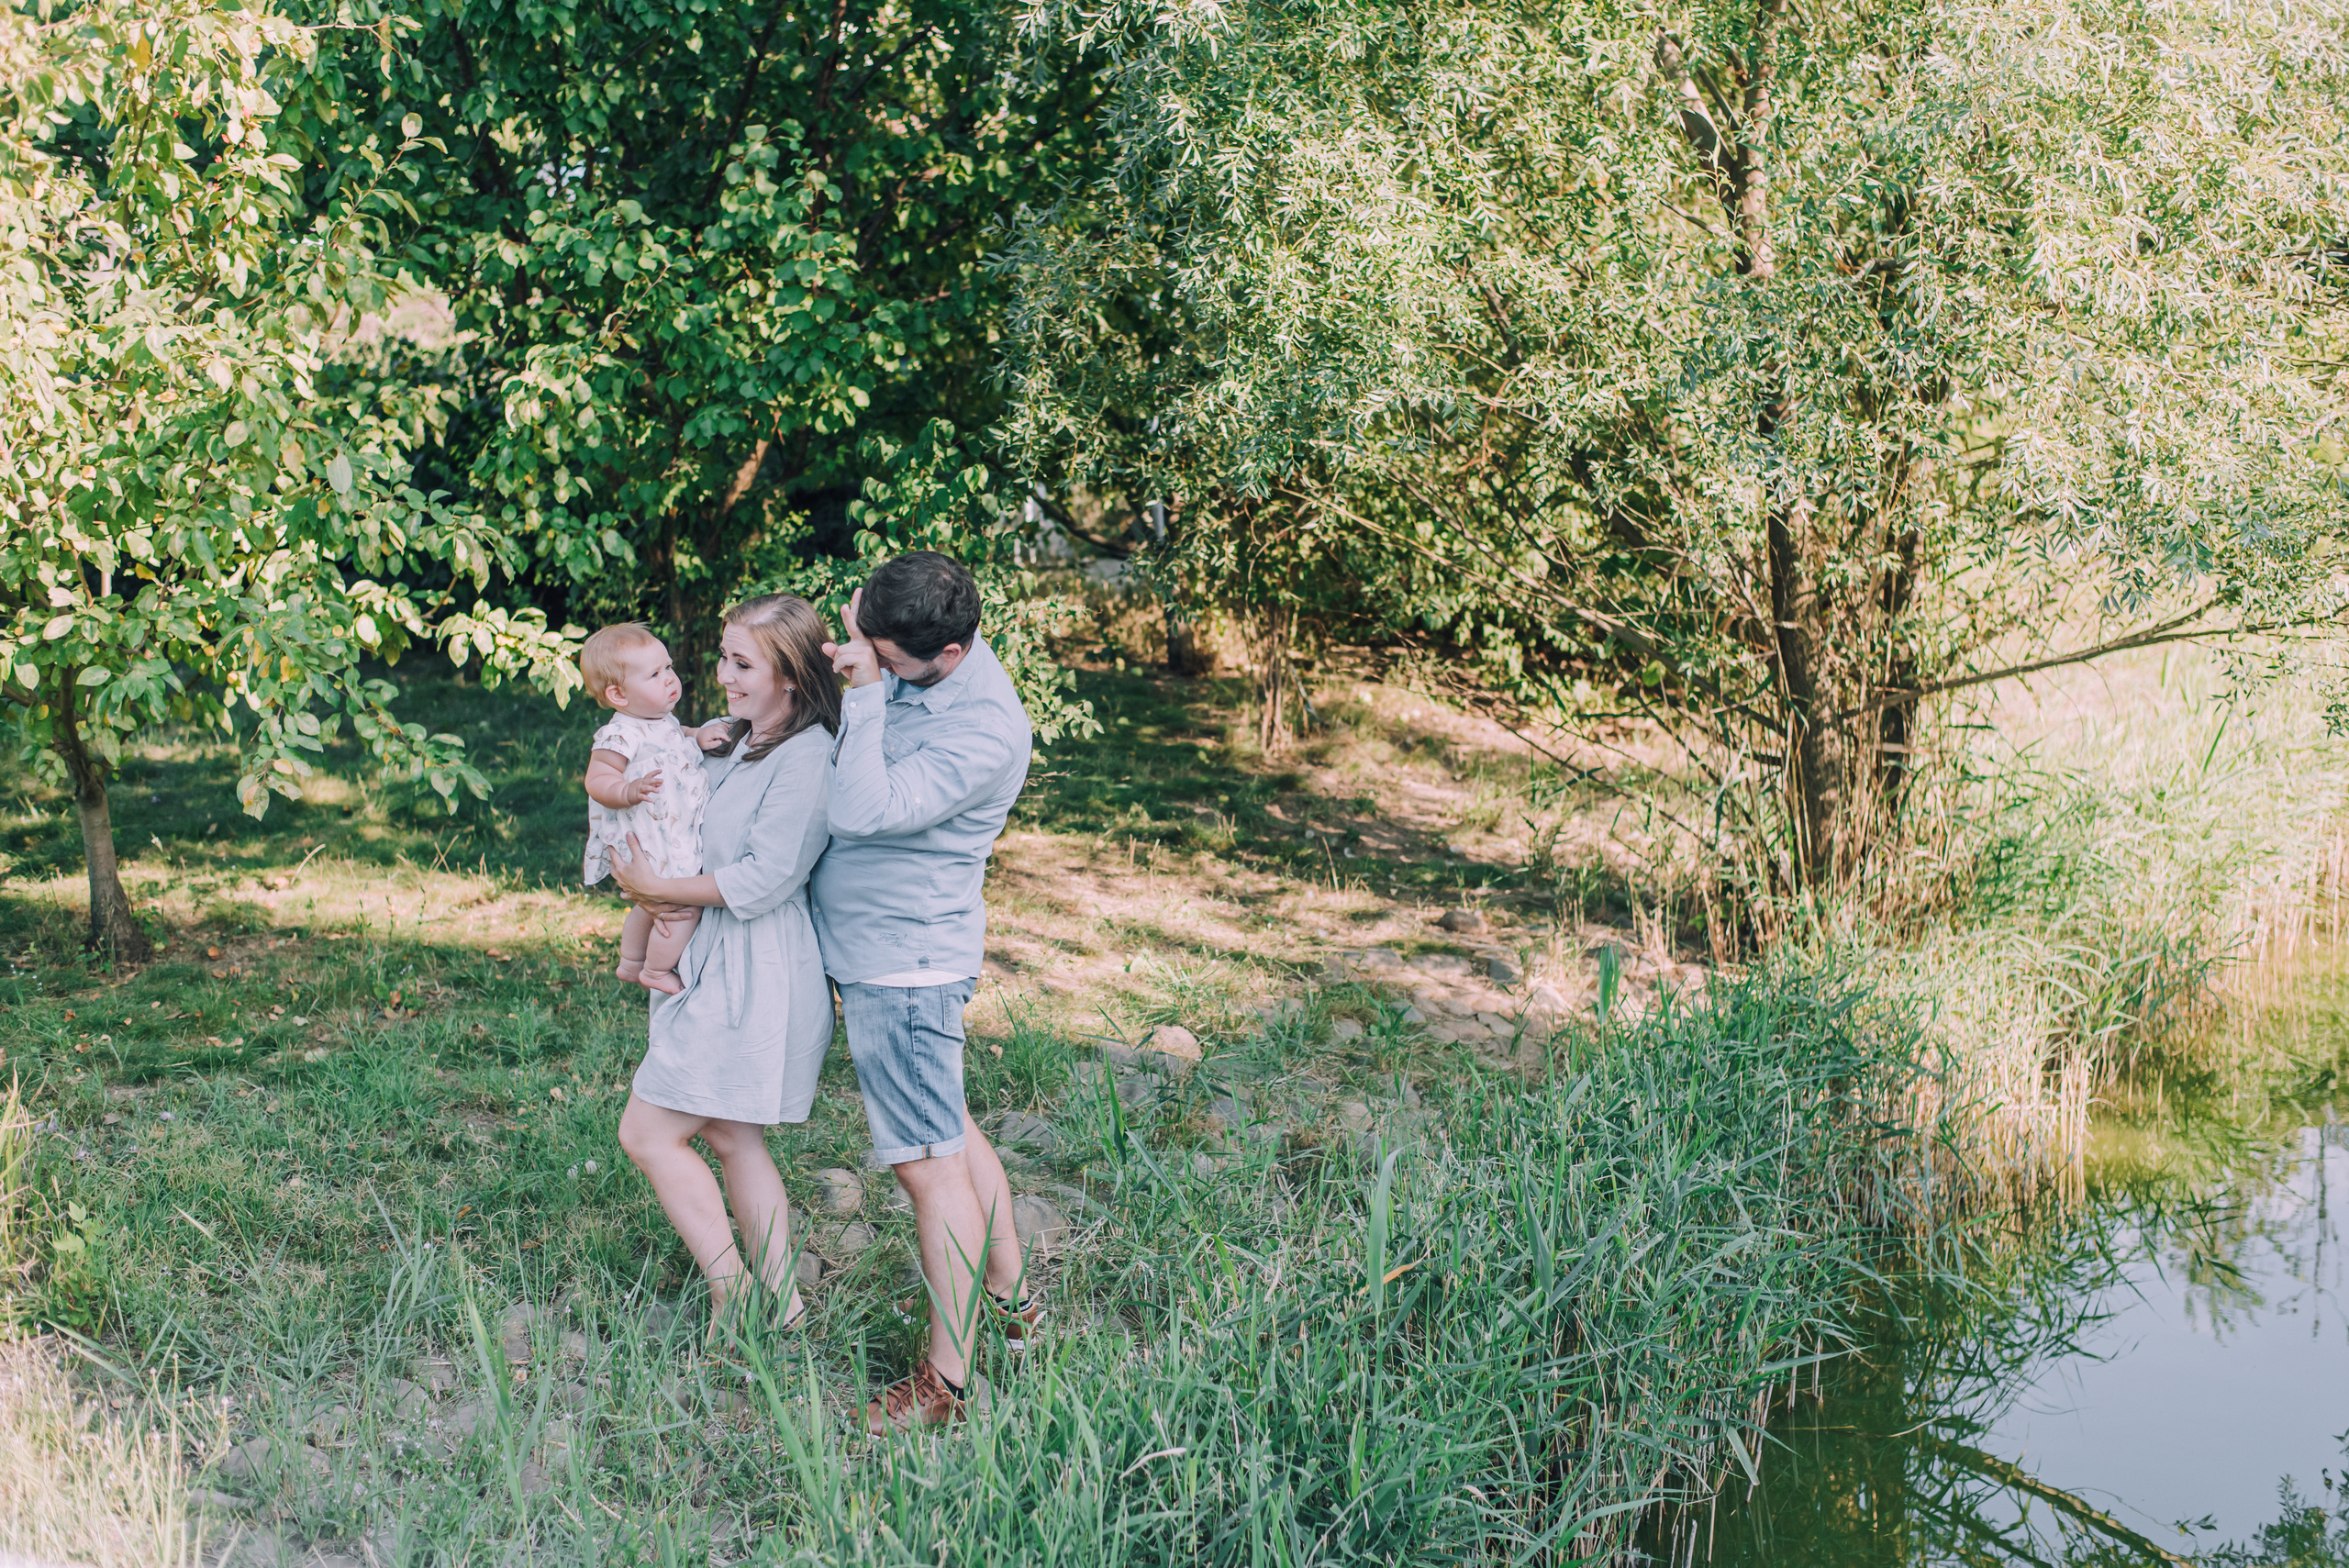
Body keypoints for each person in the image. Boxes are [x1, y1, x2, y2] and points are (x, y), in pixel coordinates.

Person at [816, 551, 1037, 1434]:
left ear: (946, 654)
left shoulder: (983, 730)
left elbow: (865, 810)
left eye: (885, 656)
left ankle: (949, 1377)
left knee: (925, 1163)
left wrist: (866, 694)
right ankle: (1015, 1303)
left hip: (905, 963)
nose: (863, 658)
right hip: (879, 949)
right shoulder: (902, 633)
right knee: (949, 1129)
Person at [607, 596, 842, 1327]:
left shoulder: (807, 757)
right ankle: (786, 1304)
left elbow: (764, 876)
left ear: (792, 675)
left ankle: (730, 1288)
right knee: (731, 1132)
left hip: (753, 964)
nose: (723, 675)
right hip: (717, 952)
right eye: (723, 657)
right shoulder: (742, 738)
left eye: (743, 663)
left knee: (646, 1133)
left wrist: (655, 889)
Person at [578, 623, 733, 994]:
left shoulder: (659, 720)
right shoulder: (620, 734)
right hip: (651, 835)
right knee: (681, 908)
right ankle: (656, 970)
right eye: (654, 674)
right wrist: (627, 790)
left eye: (668, 667)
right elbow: (597, 778)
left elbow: (673, 737)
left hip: (668, 828)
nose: (669, 679)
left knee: (648, 906)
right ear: (618, 694)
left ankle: (631, 962)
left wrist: (696, 735)